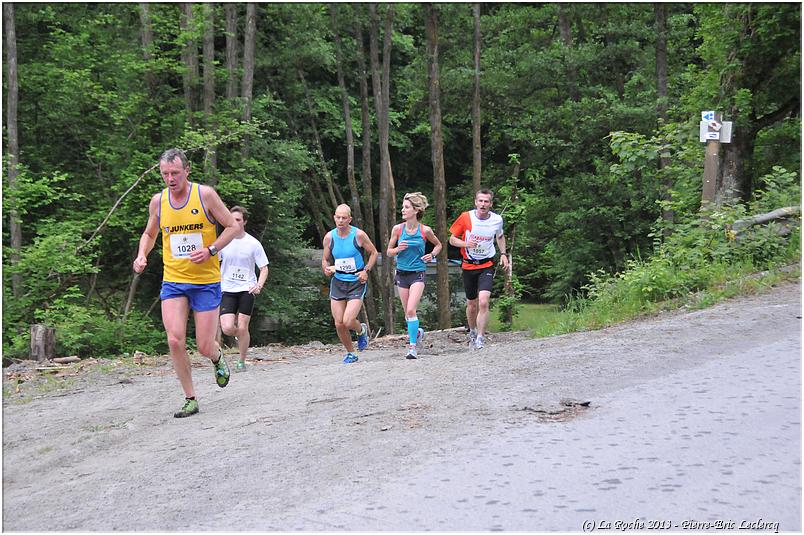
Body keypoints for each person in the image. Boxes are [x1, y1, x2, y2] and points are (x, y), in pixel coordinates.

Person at [133, 148, 238, 418]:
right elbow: (149, 233)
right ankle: (190, 397)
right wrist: (142, 254)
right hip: (174, 281)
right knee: (175, 339)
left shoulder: (205, 195)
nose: (170, 178)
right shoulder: (158, 202)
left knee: (204, 345)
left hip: (205, 281)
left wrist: (211, 250)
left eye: (175, 173)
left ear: (187, 171)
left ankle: (216, 357)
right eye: (165, 173)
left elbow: (232, 227)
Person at [448, 188, 510, 350]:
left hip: (486, 265)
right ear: (476, 202)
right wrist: (465, 244)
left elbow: (500, 236)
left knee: (483, 302)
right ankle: (473, 332)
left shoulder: (497, 220)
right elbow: (452, 240)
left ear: (491, 204)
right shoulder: (466, 217)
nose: (483, 204)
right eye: (480, 201)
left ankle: (481, 338)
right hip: (468, 265)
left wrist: (503, 254)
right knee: (472, 304)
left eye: (486, 201)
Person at [386, 192, 442, 359]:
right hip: (401, 273)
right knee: (407, 313)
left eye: (406, 207)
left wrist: (431, 255)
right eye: (403, 207)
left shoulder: (425, 230)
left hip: (418, 273)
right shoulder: (398, 229)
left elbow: (438, 245)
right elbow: (389, 252)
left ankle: (412, 348)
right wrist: (397, 249)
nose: (403, 210)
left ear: (416, 210)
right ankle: (417, 332)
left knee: (411, 309)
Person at [322, 204, 378, 364]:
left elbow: (373, 253)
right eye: (338, 217)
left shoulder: (358, 235)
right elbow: (325, 259)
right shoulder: (329, 237)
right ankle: (351, 353)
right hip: (338, 281)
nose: (340, 220)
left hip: (356, 281)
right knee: (339, 323)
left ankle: (361, 330)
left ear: (350, 219)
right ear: (334, 218)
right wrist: (325, 268)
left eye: (344, 218)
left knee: (348, 321)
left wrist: (366, 271)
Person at [218, 205, 269, 372]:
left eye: (238, 220)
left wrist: (259, 285)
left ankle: (241, 360)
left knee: (243, 325)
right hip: (227, 288)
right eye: (232, 219)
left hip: (247, 288)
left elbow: (264, 267)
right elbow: (213, 262)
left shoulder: (253, 243)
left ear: (244, 222)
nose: (235, 222)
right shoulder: (223, 241)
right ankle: (236, 334)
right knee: (227, 327)